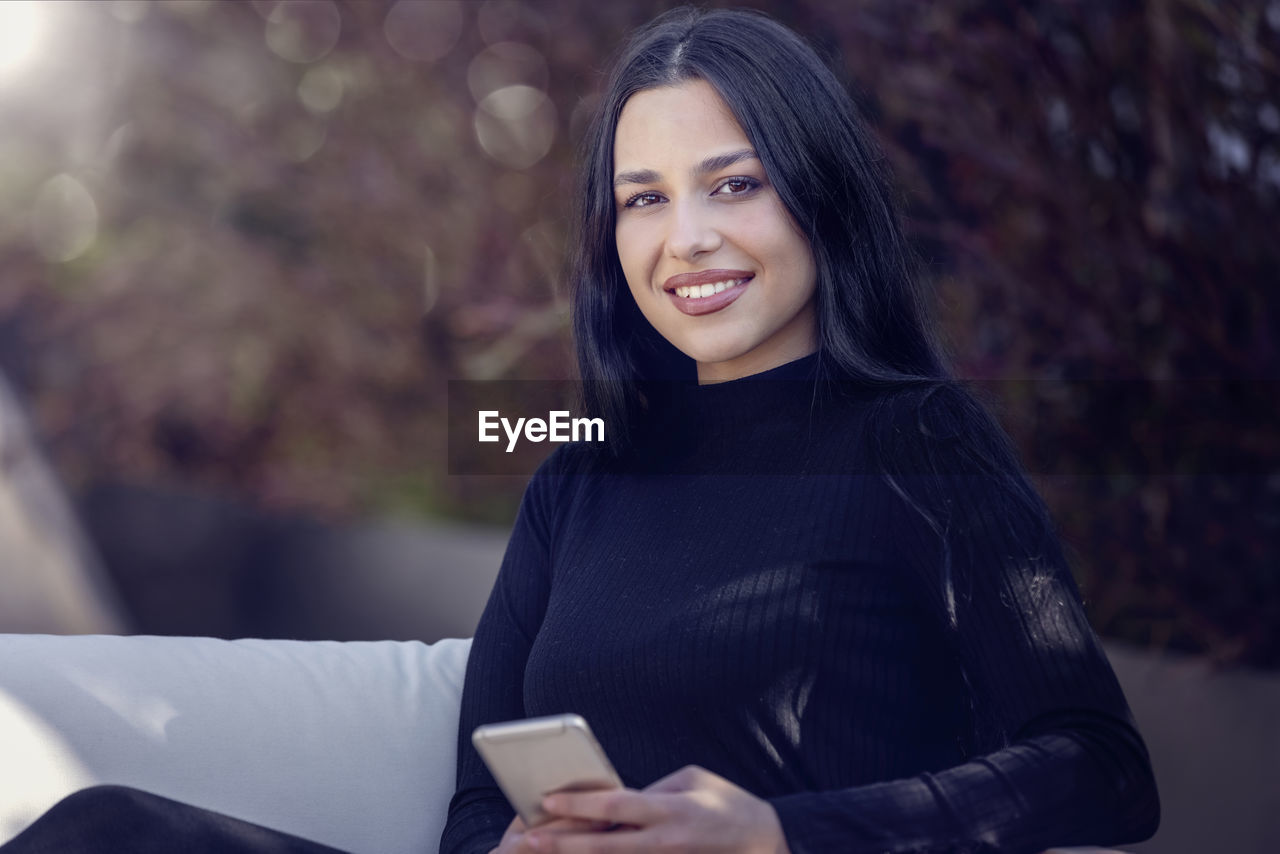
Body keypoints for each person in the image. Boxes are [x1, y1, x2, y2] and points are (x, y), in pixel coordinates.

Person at [440, 7, 1159, 854]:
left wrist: (776, 835)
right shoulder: (576, 480)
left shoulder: (921, 442)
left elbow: (1103, 771)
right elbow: (477, 803)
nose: (688, 239)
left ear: (823, 195)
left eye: (736, 184)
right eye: (645, 199)